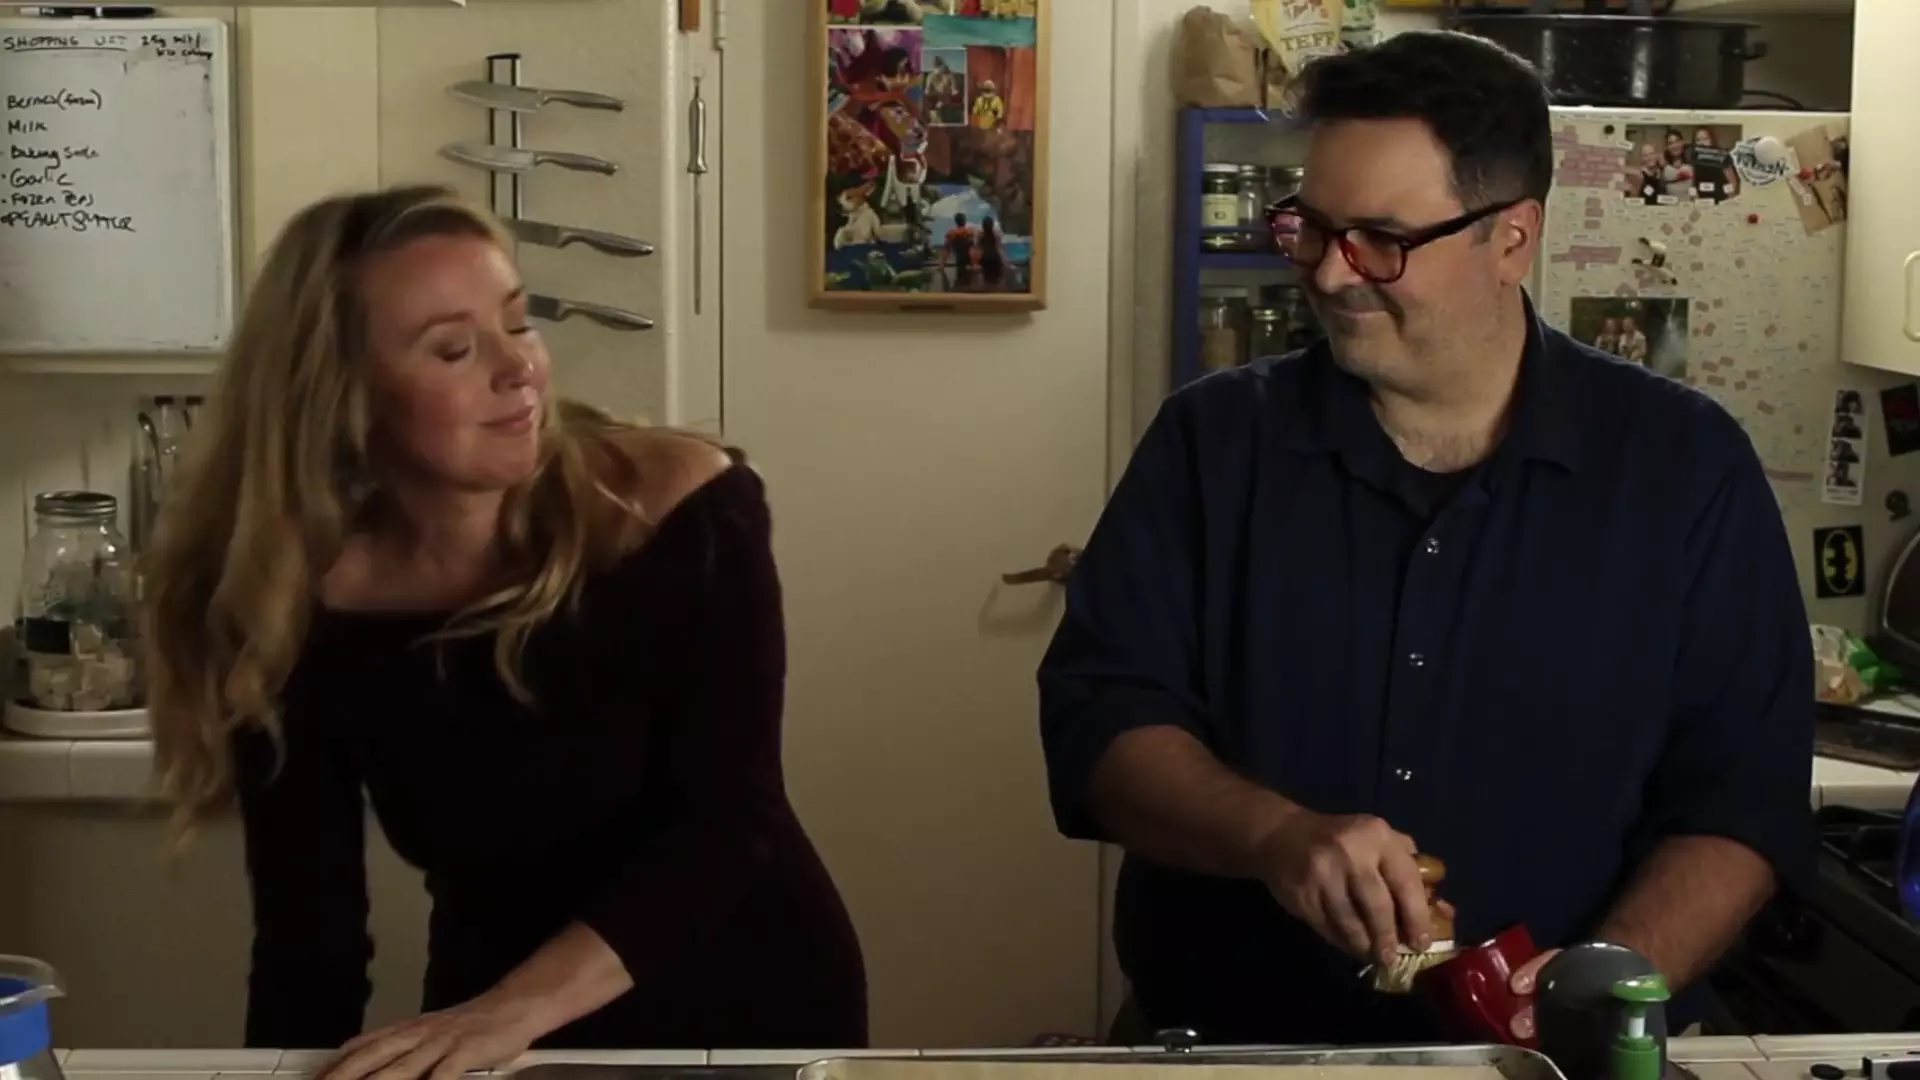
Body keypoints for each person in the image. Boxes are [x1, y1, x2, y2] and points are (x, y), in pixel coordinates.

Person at [1037, 31, 1810, 1045]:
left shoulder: (1684, 467)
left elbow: (1741, 804)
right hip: (1222, 1045)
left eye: (1380, 240)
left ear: (1512, 239)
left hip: (1564, 1061)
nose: (1331, 273)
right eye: (1310, 227)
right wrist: (1276, 837)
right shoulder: (1212, 443)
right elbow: (1100, 723)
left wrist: (1599, 986)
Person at [141, 186, 868, 1074]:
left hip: (750, 1002)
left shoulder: (680, 508)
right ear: (343, 397)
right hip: (491, 1026)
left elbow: (725, 823)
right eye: (454, 348)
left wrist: (507, 1014)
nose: (519, 366)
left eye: (519, 323)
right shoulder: (294, 608)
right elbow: (309, 937)